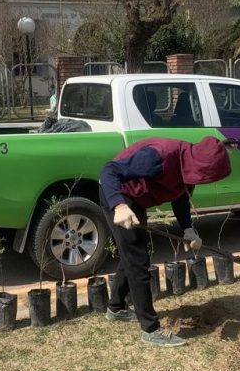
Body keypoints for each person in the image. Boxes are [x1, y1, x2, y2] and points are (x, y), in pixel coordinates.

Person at [99, 136, 232, 347]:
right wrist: (119, 206)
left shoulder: (190, 166)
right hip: (120, 196)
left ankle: (116, 308)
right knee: (137, 259)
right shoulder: (159, 157)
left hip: (137, 200)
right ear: (197, 163)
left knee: (133, 253)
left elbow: (180, 197)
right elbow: (109, 171)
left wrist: (188, 229)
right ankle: (150, 329)